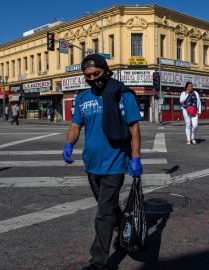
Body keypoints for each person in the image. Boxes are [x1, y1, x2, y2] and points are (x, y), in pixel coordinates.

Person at [62, 54, 142, 270]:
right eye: (87, 75)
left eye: (96, 74)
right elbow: (75, 126)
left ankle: (98, 262)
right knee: (108, 206)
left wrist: (135, 157)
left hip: (115, 163)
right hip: (92, 163)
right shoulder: (81, 98)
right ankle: (125, 230)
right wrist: (69, 143)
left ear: (106, 72)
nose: (92, 78)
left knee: (103, 212)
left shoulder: (122, 95)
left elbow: (134, 128)